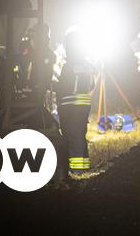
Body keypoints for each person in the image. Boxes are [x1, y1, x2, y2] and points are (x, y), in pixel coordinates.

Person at [53, 27, 97, 174]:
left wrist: (54, 86)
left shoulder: (68, 66)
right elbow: (91, 85)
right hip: (84, 104)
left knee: (72, 135)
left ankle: (77, 170)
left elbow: (64, 86)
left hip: (70, 105)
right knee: (80, 133)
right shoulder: (89, 65)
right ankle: (84, 166)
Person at [14, 22, 56, 102]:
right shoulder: (30, 52)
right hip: (26, 96)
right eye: (31, 36)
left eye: (34, 36)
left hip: (38, 98)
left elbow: (45, 80)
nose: (31, 39)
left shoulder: (47, 55)